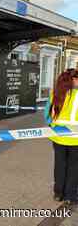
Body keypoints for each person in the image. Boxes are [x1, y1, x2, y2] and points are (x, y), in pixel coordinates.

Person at [44, 69, 78, 206]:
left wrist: (52, 126)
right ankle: (70, 195)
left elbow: (47, 115)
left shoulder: (55, 93)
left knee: (59, 165)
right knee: (73, 167)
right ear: (73, 79)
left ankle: (58, 193)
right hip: (75, 139)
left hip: (57, 137)